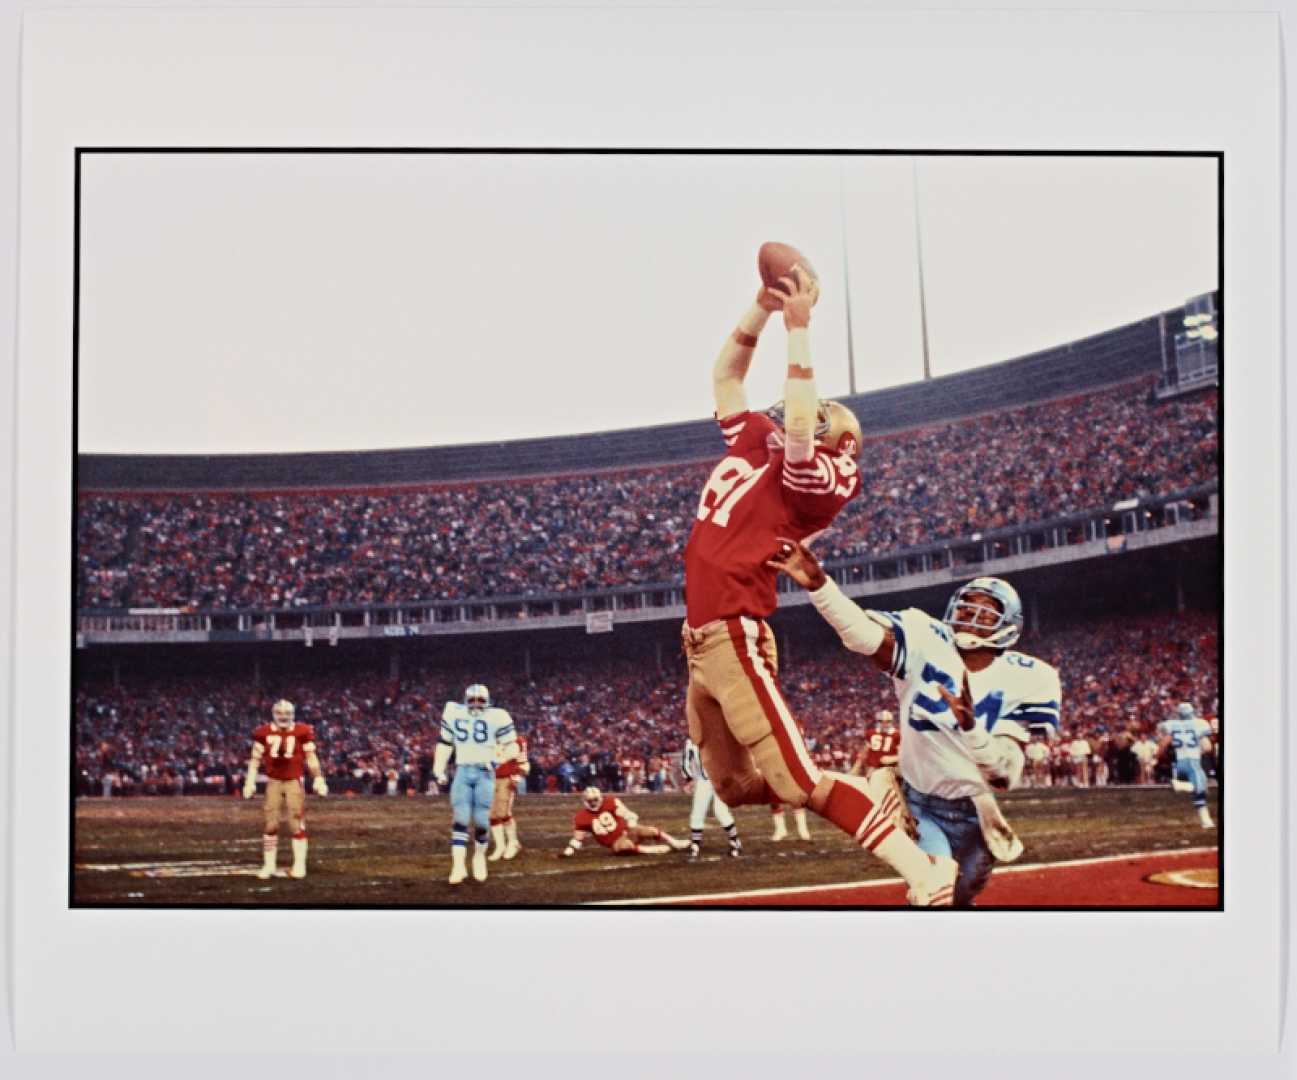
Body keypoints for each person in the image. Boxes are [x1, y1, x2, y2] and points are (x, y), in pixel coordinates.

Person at [680, 259, 956, 906]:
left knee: (800, 781)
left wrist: (797, 329)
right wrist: (759, 308)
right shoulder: (753, 441)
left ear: (845, 442)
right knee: (735, 787)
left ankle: (921, 872)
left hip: (735, 635)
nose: (817, 406)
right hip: (696, 644)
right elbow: (724, 375)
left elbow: (802, 431)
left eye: (833, 412)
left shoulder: (823, 478)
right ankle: (845, 793)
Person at [768, 540, 1063, 907]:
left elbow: (1003, 776)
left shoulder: (1032, 677)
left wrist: (970, 727)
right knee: (931, 893)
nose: (971, 618)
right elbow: (862, 634)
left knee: (960, 897)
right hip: (919, 803)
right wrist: (819, 585)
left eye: (985, 613)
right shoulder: (926, 636)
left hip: (976, 812)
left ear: (1009, 625)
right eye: (967, 608)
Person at [434, 683, 517, 885]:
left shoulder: (497, 716)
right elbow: (445, 743)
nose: (476, 704)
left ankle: (479, 858)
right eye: (472, 700)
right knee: (460, 820)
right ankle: (458, 866)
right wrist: (438, 768)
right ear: (465, 700)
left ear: (487, 701)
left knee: (481, 822)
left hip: (484, 774)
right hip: (462, 770)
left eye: (480, 700)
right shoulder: (454, 712)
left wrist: (497, 760)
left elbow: (512, 746)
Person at [242, 699, 328, 880]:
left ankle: (299, 865)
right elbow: (255, 760)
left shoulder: (302, 731)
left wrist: (318, 778)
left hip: (293, 781)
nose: (284, 717)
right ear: (273, 714)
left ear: (293, 715)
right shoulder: (263, 732)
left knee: (295, 823)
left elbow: (311, 757)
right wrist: (249, 782)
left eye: (287, 714)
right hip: (273, 781)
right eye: (280, 713)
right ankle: (269, 865)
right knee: (270, 824)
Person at [561, 787, 691, 858]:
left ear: (600, 797)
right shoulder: (582, 816)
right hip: (616, 843)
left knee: (649, 830)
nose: (594, 803)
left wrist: (631, 820)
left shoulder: (610, 801)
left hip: (627, 832)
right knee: (625, 846)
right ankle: (650, 850)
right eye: (591, 801)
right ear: (585, 801)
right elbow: (578, 838)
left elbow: (627, 813)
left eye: (596, 799)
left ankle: (675, 842)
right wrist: (570, 849)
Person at [680, 737, 742, 859]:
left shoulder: (716, 737)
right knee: (697, 812)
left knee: (720, 811)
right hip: (703, 781)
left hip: (720, 779)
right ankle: (695, 844)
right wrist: (689, 779)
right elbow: (685, 762)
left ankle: (735, 841)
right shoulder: (691, 741)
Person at [1157, 702, 1215, 829]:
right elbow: (1207, 747)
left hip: (1179, 762)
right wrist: (1199, 751)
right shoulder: (1199, 724)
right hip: (1193, 761)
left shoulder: (1172, 724)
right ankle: (1180, 785)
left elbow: (1163, 744)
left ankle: (1206, 821)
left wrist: (1157, 757)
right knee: (1202, 788)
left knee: (1199, 793)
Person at [488, 732, 529, 861]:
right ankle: (500, 846)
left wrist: (516, 777)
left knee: (504, 813)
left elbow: (523, 762)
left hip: (506, 778)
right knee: (492, 815)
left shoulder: (517, 740)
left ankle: (513, 842)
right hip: (489, 778)